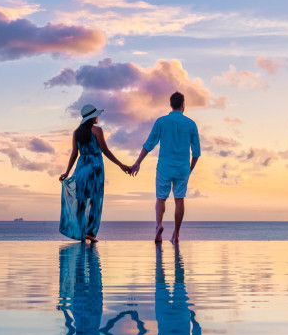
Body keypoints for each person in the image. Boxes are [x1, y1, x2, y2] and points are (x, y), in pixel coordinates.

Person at [130, 92, 200, 242]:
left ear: (170, 104)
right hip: (182, 168)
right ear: (183, 105)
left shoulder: (161, 122)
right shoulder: (191, 124)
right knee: (179, 199)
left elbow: (149, 144)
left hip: (164, 167)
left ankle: (159, 225)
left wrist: (138, 162)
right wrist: (190, 169)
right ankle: (176, 234)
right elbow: (196, 152)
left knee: (160, 198)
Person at [60, 104, 131, 242]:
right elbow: (105, 150)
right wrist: (121, 165)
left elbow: (74, 154)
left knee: (81, 201)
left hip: (81, 169)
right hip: (95, 168)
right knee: (95, 200)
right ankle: (90, 232)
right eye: (96, 115)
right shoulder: (97, 130)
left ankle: (81, 232)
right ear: (92, 117)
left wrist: (67, 172)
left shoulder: (76, 133)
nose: (98, 117)